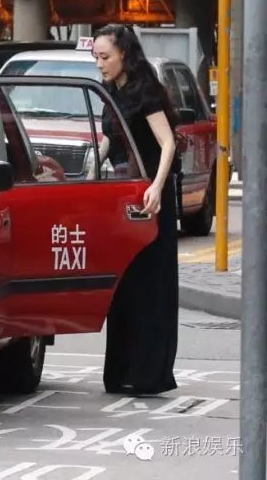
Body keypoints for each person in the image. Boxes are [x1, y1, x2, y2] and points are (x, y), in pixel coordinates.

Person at [92, 24, 179, 396]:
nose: (99, 64)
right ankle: (121, 371)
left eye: (105, 57)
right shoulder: (109, 92)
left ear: (124, 54)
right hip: (124, 199)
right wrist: (88, 171)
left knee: (150, 287)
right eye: (95, 57)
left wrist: (157, 187)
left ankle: (149, 374)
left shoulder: (145, 91)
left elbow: (167, 143)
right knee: (124, 285)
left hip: (151, 199)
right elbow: (110, 141)